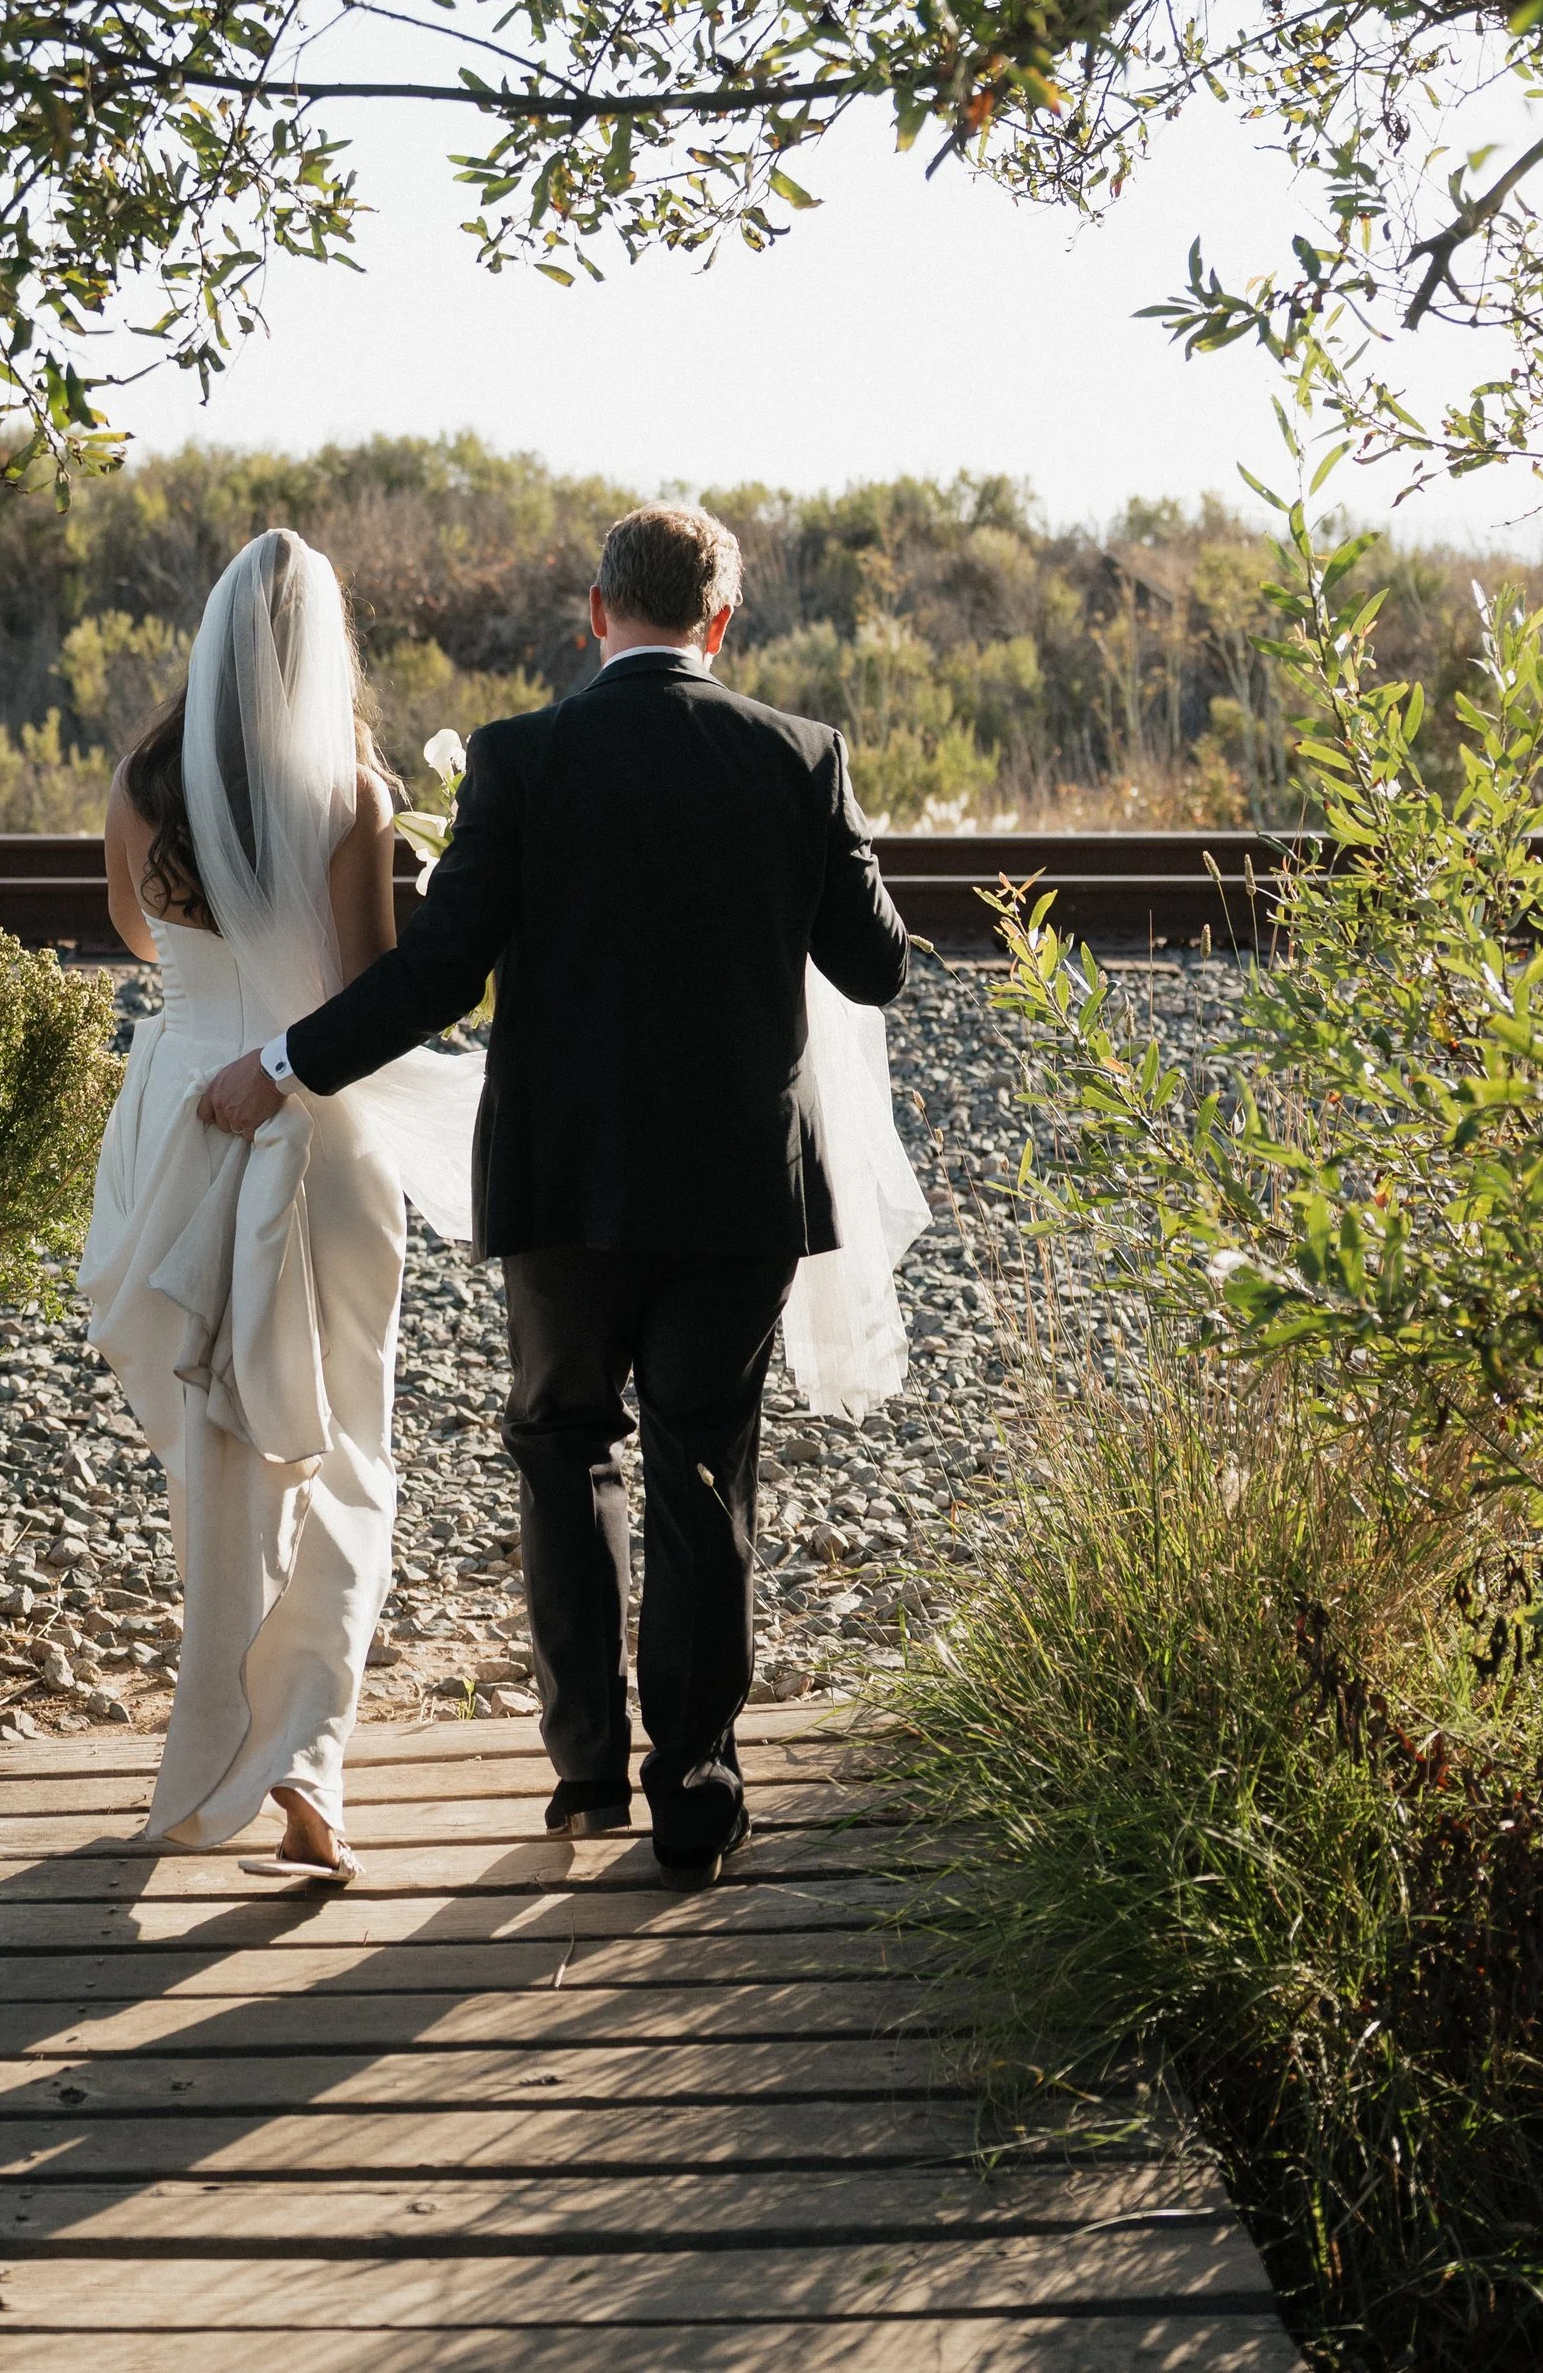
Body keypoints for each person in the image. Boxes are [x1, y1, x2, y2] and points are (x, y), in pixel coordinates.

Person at [200, 499, 917, 1881]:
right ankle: (696, 1803)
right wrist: (834, 836)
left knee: (562, 1444)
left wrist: (284, 1061)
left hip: (564, 1183)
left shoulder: (525, 761)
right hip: (733, 1198)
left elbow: (433, 977)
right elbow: (877, 965)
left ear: (598, 612)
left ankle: (586, 1768)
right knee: (702, 1475)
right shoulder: (801, 756)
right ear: (724, 624)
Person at [79, 529, 478, 1884]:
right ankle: (309, 1763)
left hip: (184, 1118)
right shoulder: (356, 795)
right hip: (317, 1126)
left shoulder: (145, 779)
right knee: (344, 1443)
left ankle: (220, 1747)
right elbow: (366, 986)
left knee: (222, 1460)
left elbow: (139, 936)